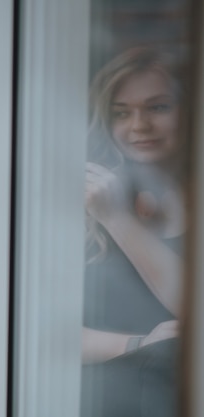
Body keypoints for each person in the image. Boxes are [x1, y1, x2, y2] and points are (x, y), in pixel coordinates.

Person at [82, 46, 186, 417]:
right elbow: (33, 329)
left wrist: (119, 220)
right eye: (121, 113)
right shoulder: (88, 200)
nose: (139, 126)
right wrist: (140, 343)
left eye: (158, 107)